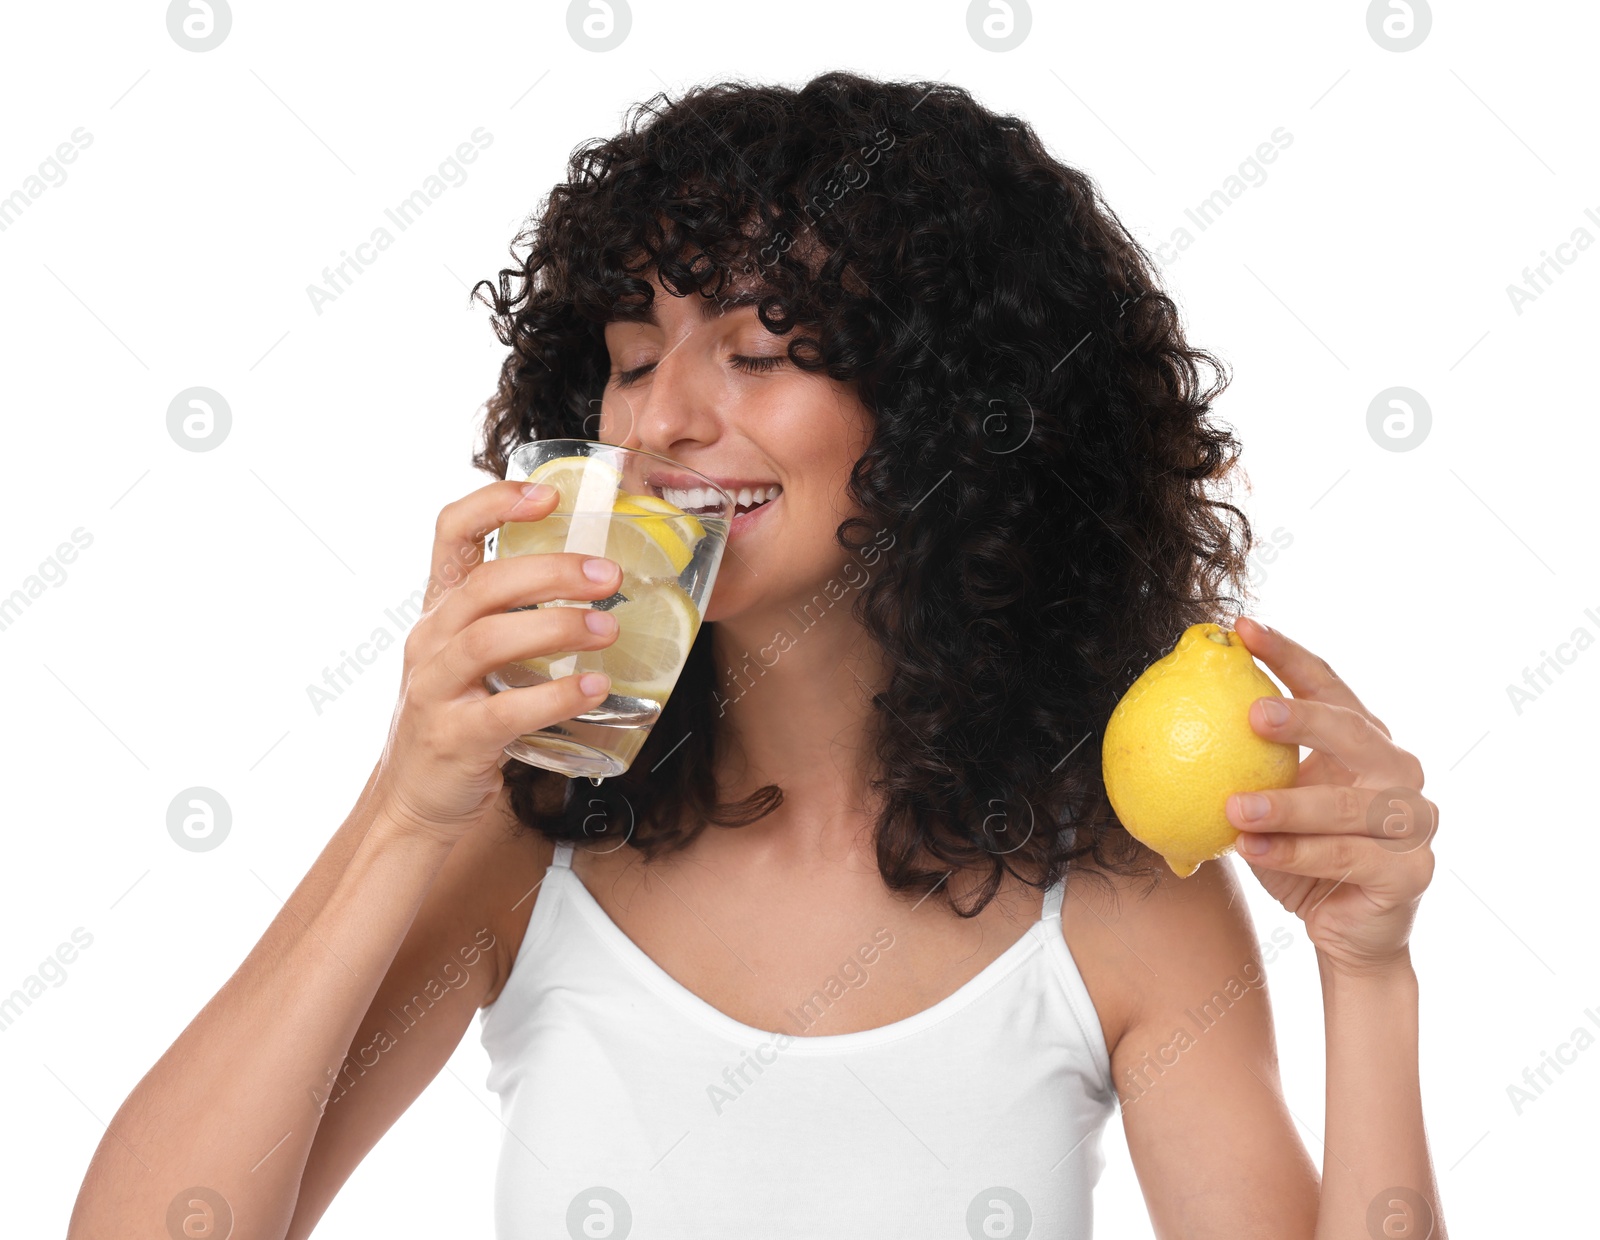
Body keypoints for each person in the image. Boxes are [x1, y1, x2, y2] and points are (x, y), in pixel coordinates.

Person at [69, 71, 1445, 1239]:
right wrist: (405, 805)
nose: (662, 420)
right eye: (629, 355)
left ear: (948, 413)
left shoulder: (1109, 896)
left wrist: (1367, 974)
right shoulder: (527, 841)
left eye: (756, 353)